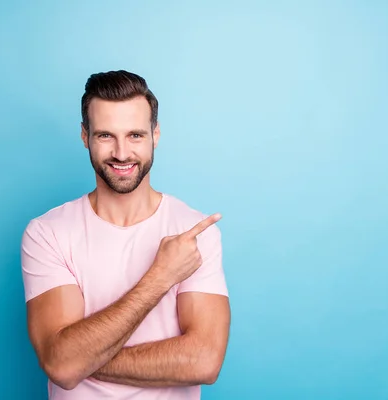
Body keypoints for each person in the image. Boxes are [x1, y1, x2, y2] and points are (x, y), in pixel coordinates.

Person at [20, 70, 231, 399]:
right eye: (105, 136)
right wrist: (161, 277)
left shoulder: (194, 232)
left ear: (155, 135)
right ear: (84, 135)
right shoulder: (47, 234)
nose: (121, 153)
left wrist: (82, 359)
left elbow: (204, 361)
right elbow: (61, 365)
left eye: (135, 135)